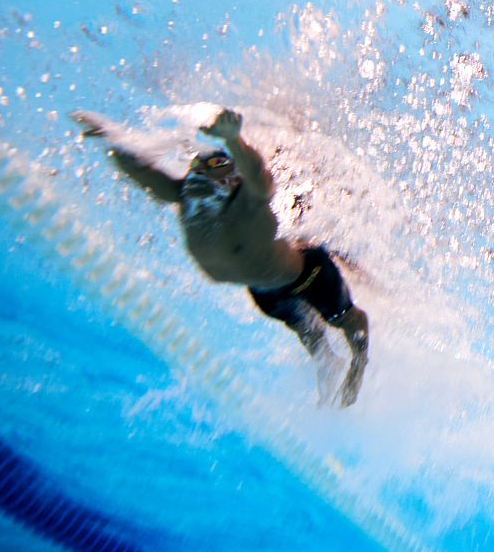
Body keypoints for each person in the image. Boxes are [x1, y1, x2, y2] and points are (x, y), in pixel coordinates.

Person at [71, 106, 370, 406]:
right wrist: (106, 137)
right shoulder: (186, 196)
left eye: (214, 161)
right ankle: (327, 364)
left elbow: (259, 178)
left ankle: (358, 363)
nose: (199, 169)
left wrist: (233, 140)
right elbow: (141, 172)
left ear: (233, 177)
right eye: (196, 164)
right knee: (310, 336)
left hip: (308, 276)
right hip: (266, 292)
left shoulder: (248, 199)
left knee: (345, 320)